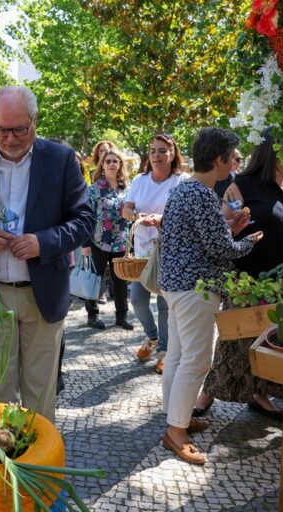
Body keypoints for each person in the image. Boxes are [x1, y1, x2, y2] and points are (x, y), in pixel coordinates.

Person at [0, 85, 94, 421]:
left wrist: (44, 242)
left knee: (40, 394)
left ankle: (39, 472)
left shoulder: (60, 160)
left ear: (35, 121)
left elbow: (85, 219)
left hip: (42, 294)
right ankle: (2, 468)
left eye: (19, 129)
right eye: (1, 130)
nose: (10, 139)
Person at [158, 127, 262, 465]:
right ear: (218, 159)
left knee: (177, 354)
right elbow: (221, 248)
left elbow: (201, 239)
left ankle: (177, 418)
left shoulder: (183, 188)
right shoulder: (202, 193)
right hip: (194, 288)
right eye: (232, 158)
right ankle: (176, 432)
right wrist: (249, 241)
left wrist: (229, 232)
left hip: (175, 285)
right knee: (197, 359)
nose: (234, 164)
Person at [194, 128, 283, 421]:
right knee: (236, 338)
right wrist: (236, 221)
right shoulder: (241, 185)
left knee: (272, 340)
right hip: (248, 277)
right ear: (271, 151)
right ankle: (208, 393)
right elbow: (225, 226)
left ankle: (260, 394)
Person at [123, 133, 190, 374]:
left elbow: (186, 215)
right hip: (142, 253)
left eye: (162, 150)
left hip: (170, 252)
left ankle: (164, 350)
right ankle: (151, 337)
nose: (157, 155)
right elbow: (126, 210)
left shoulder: (183, 181)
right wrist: (137, 216)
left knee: (164, 304)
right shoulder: (140, 181)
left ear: (173, 154)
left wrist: (162, 219)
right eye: (153, 151)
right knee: (138, 301)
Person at [82, 148, 132, 330]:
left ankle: (122, 316)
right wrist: (85, 243)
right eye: (108, 161)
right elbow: (86, 216)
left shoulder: (127, 188)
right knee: (95, 279)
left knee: (120, 281)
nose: (111, 164)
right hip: (98, 241)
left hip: (121, 241)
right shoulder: (94, 189)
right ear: (102, 165)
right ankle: (92, 315)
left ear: (120, 165)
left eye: (115, 161)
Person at [90, 140, 118, 303]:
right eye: (101, 152)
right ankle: (95, 305)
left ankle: (120, 312)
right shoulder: (94, 182)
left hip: (119, 239)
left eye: (108, 151)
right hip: (98, 236)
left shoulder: (124, 184)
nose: (105, 155)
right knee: (96, 273)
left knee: (117, 276)